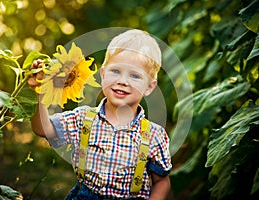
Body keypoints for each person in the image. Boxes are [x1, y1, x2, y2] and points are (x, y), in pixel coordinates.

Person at [28, 29, 172, 200]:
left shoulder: (153, 136)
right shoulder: (83, 119)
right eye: (116, 71)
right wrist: (39, 92)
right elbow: (43, 129)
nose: (122, 81)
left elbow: (162, 182)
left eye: (134, 75)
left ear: (149, 87)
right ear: (103, 75)